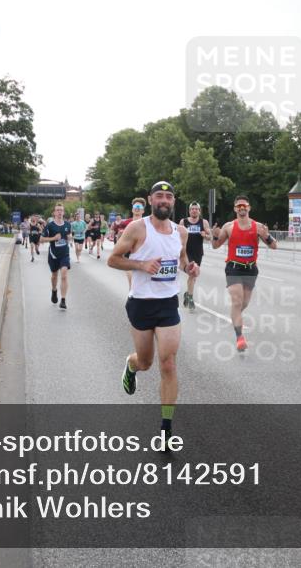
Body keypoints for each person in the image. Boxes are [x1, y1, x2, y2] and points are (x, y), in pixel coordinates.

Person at [108, 181, 198, 439]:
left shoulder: (181, 232)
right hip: (141, 304)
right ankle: (131, 364)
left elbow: (182, 260)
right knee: (145, 362)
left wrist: (190, 268)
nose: (164, 200)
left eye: (169, 196)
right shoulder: (137, 228)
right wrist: (141, 264)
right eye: (159, 196)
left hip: (168, 303)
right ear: (150, 200)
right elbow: (113, 259)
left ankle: (166, 429)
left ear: (173, 201)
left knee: (168, 363)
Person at [210, 195, 278, 352]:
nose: (242, 208)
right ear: (235, 209)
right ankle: (240, 337)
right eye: (239, 206)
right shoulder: (229, 227)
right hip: (233, 267)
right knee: (237, 301)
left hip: (251, 268)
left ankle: (235, 317)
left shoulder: (258, 226)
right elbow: (215, 246)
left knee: (244, 303)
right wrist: (214, 235)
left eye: (244, 206)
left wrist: (267, 236)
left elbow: (274, 246)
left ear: (249, 208)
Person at [179, 202, 211, 309]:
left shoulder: (204, 222)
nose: (194, 211)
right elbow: (177, 236)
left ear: (199, 211)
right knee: (192, 274)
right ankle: (191, 298)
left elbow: (209, 237)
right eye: (192, 209)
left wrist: (205, 235)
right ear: (189, 211)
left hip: (198, 252)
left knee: (194, 275)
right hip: (186, 252)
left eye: (196, 209)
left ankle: (188, 293)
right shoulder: (183, 222)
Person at [44, 203, 72, 309]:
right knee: (54, 275)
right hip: (53, 255)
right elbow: (41, 239)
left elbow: (69, 235)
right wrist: (53, 238)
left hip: (64, 254)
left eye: (61, 210)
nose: (60, 212)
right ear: (54, 213)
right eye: (58, 210)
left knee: (64, 275)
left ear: (63, 212)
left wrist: (70, 237)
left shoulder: (67, 225)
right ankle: (54, 290)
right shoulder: (50, 226)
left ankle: (63, 300)